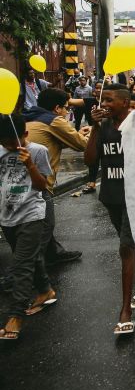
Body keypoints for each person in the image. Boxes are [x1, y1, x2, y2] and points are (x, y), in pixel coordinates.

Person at [85, 84, 135, 335]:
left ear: (124, 102)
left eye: (109, 100)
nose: (104, 104)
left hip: (134, 198)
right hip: (111, 197)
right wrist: (95, 129)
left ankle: (125, 311)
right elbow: (90, 161)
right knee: (130, 247)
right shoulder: (104, 127)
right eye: (103, 100)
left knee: (125, 248)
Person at [0, 114, 56, 341]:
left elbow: (43, 185)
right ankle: (45, 290)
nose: (12, 147)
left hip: (32, 214)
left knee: (21, 265)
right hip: (7, 215)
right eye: (6, 142)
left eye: (16, 141)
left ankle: (15, 317)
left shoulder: (38, 150)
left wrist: (30, 164)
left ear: (25, 134)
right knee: (28, 257)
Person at [23, 88, 88, 266]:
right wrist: (92, 132)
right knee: (46, 224)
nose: (68, 112)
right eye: (66, 108)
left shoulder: (28, 117)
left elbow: (48, 141)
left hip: (19, 180)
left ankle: (54, 253)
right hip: (39, 182)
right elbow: (81, 145)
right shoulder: (54, 120)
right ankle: (22, 271)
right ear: (57, 108)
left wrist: (74, 135)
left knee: (40, 222)